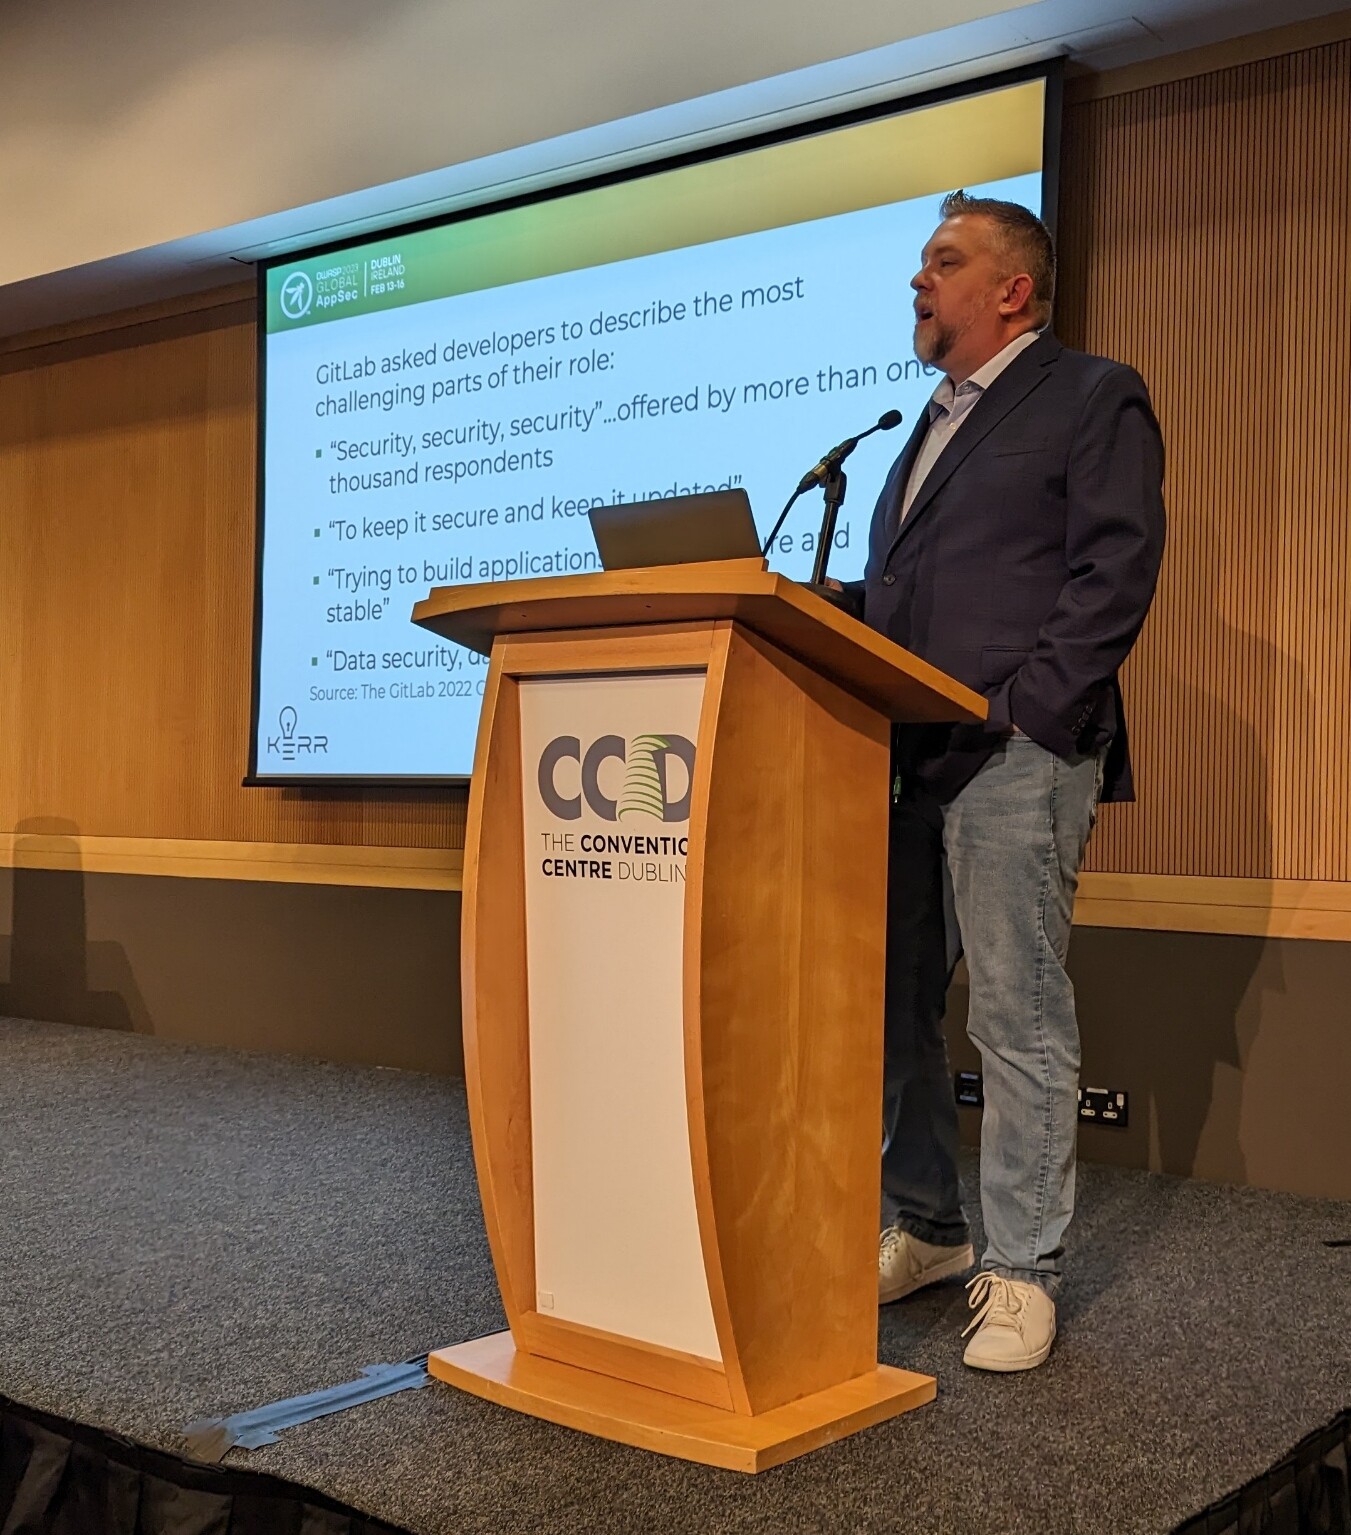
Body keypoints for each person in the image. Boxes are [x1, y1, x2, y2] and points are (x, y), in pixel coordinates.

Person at [858, 190, 1166, 1371]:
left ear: (1011, 289)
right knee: (896, 1003)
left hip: (1014, 754)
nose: (918, 280)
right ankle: (931, 1227)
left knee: (1013, 1014)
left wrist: (1028, 711)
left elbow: (1114, 568)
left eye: (942, 261)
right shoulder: (923, 425)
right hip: (906, 758)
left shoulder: (1089, 393)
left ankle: (1023, 1267)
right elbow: (906, 595)